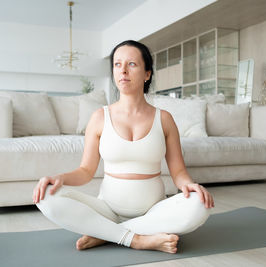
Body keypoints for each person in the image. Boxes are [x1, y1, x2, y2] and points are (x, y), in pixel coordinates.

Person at [33, 40, 214, 254]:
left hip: (153, 211)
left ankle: (107, 234)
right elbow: (85, 171)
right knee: (46, 197)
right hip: (107, 209)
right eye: (117, 64)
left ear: (147, 74)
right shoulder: (99, 117)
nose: (123, 71)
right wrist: (60, 178)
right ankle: (137, 239)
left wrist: (189, 185)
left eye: (132, 64)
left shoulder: (164, 119)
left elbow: (179, 172)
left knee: (200, 204)